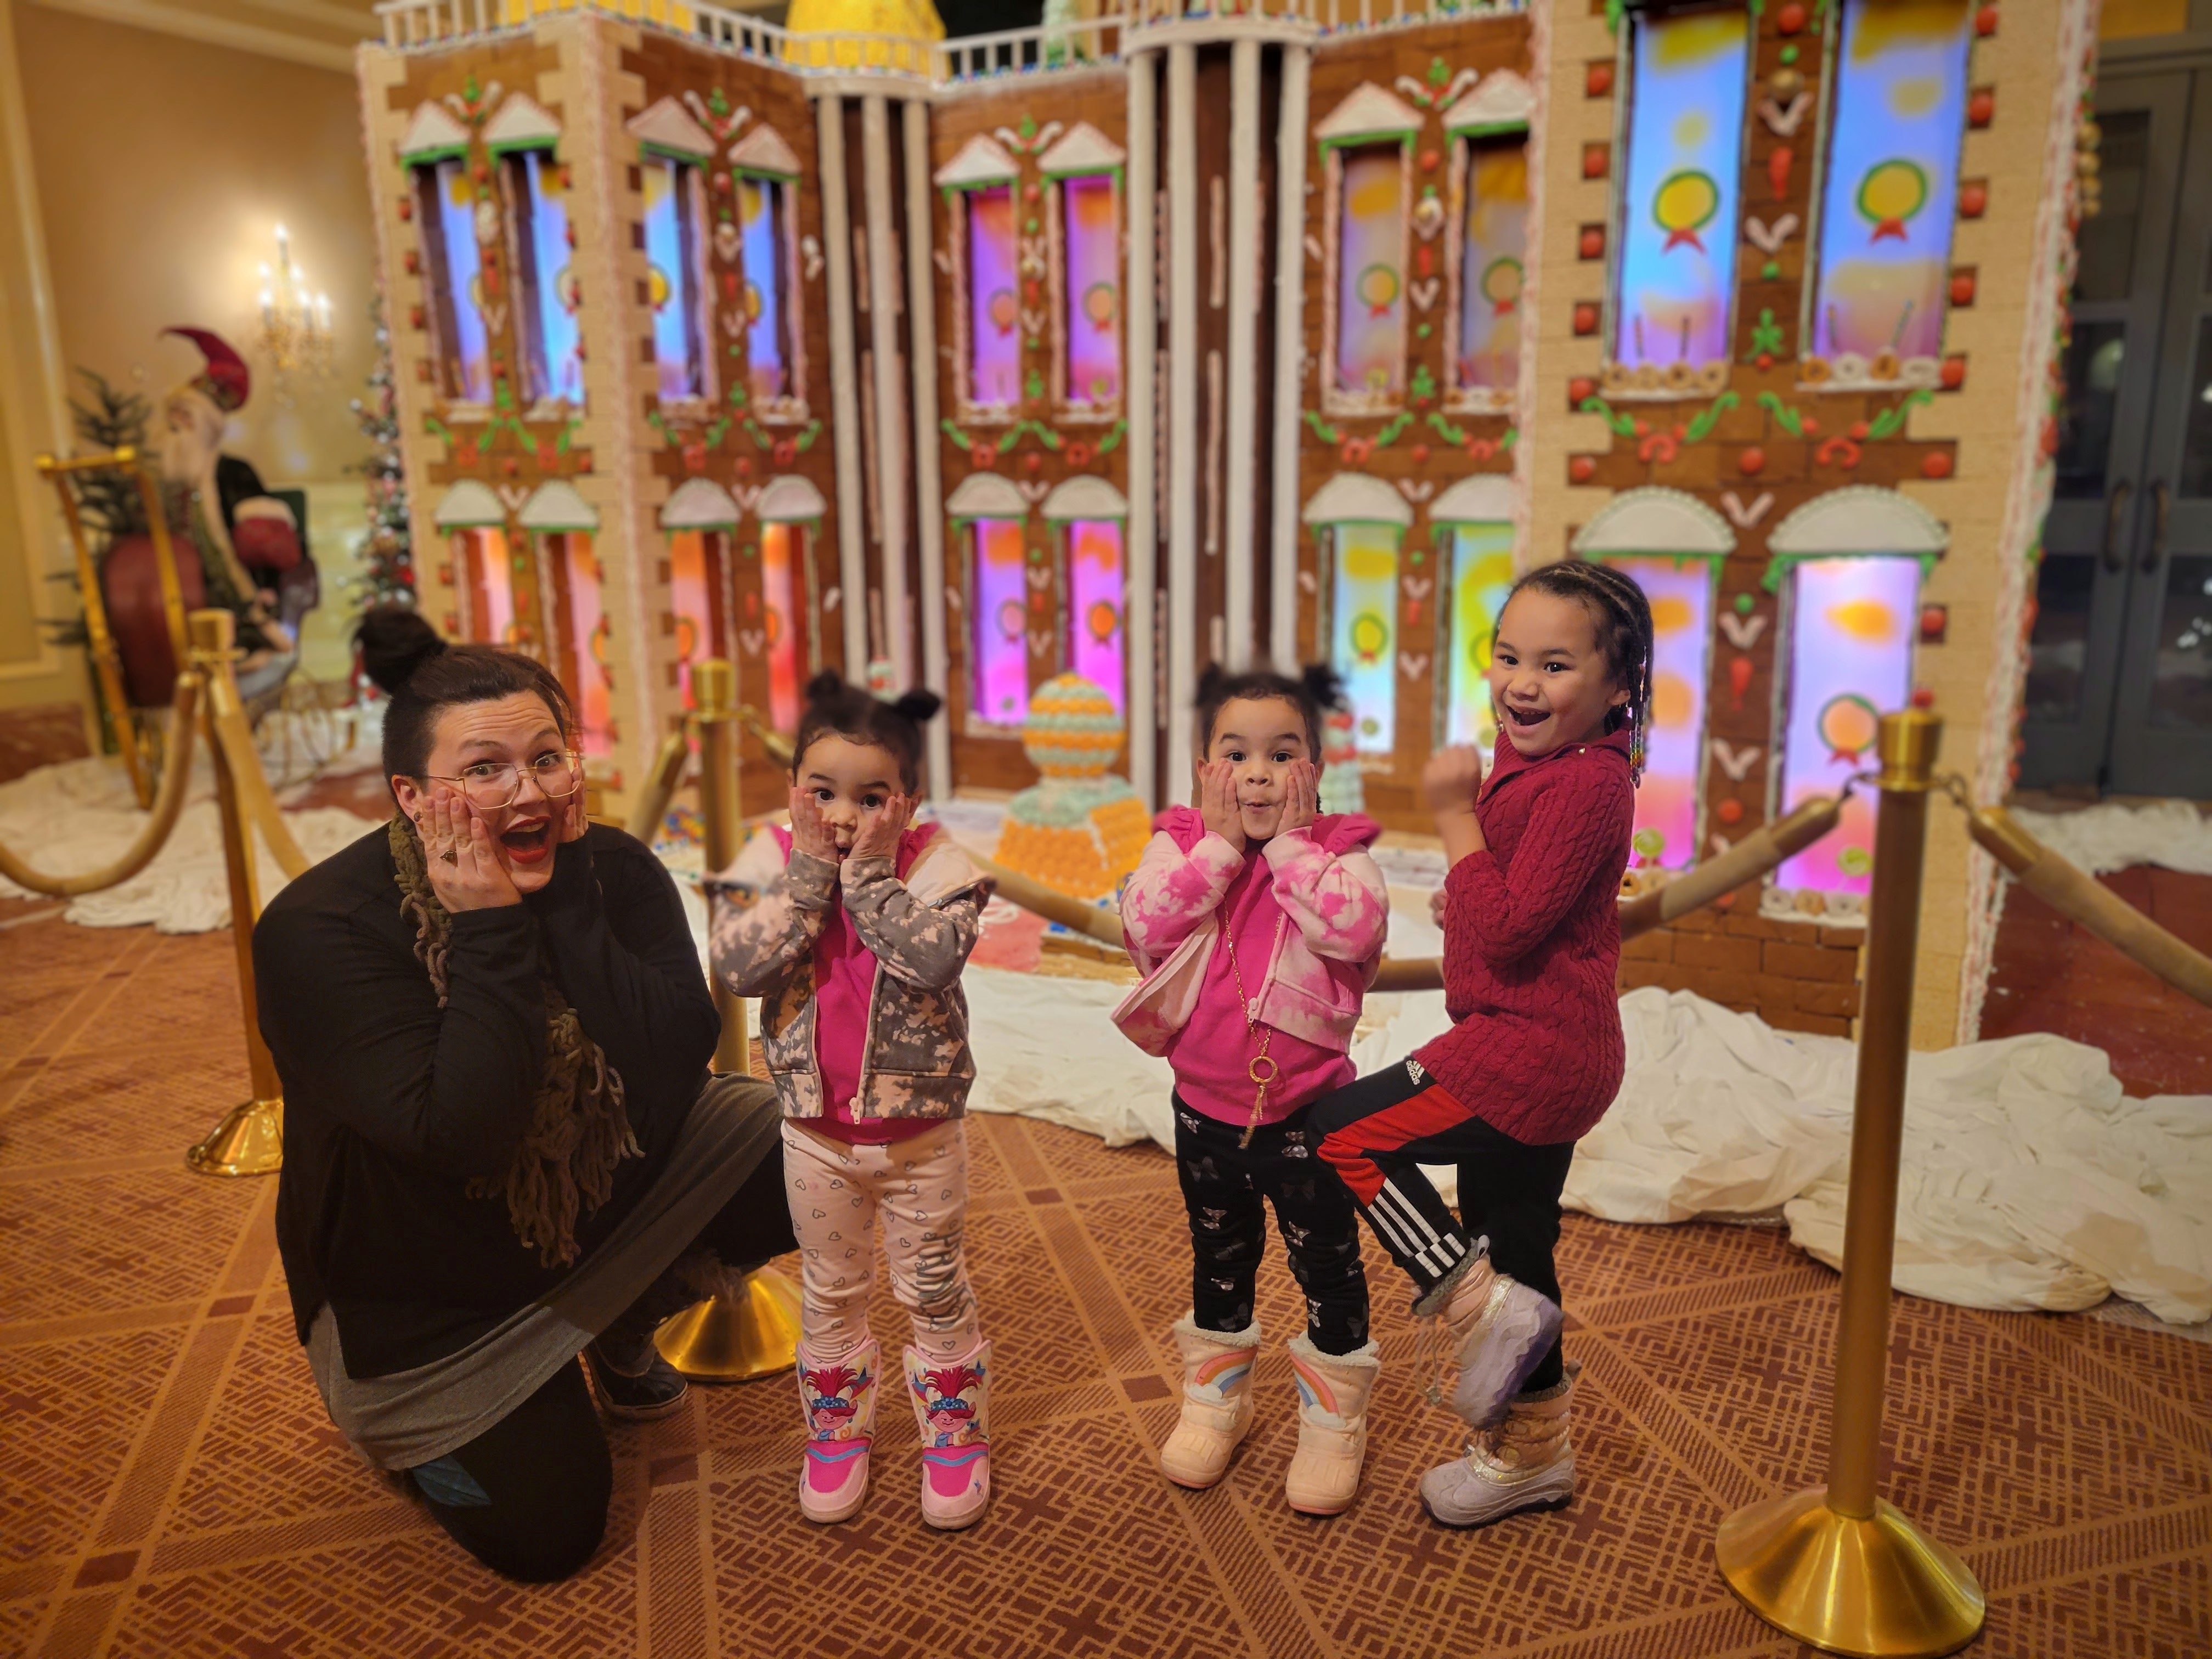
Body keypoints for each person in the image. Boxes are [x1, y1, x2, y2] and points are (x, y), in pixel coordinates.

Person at [255, 606, 795, 1582]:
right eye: (485, 769)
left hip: (590, 1226)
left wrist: (568, 904)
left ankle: (622, 1327)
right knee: (549, 1532)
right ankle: (420, 1443)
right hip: (424, 1303)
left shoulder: (609, 868)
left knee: (793, 1141)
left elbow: (679, 1060)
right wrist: (492, 932)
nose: (528, 790)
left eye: (547, 757)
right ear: (412, 797)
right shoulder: (318, 933)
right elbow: (465, 1135)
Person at [1308, 561, 1652, 1529]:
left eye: (1555, 663)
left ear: (1618, 684)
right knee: (1521, 1245)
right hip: (1545, 1039)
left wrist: (1454, 818)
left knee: (1345, 1134)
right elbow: (1517, 903)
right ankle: (1530, 1456)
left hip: (1531, 1051)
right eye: (1508, 657)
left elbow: (1505, 933)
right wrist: (1469, 884)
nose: (1521, 683)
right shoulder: (1552, 768)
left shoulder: (1588, 784)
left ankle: (1472, 1305)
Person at [707, 674, 996, 1530]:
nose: (842, 815)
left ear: (908, 800)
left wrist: (868, 877)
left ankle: (954, 1431)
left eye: (871, 798)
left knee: (934, 1289)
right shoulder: (770, 859)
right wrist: (805, 879)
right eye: (822, 792)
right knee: (831, 1290)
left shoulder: (942, 865)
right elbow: (735, 968)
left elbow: (934, 959)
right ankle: (836, 1430)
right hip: (814, 1132)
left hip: (920, 1138)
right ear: (796, 787)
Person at [1113, 665, 1390, 1517]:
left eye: (1283, 753)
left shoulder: (1340, 853)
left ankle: (1333, 1418)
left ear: (1315, 769)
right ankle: (1216, 1399)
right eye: (1237, 754)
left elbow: (1356, 929)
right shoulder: (1182, 843)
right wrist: (1224, 848)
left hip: (1309, 1116)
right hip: (1204, 1111)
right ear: (1204, 768)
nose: (1259, 773)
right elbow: (1144, 919)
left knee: (1328, 1267)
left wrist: (1295, 848)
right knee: (1219, 1259)